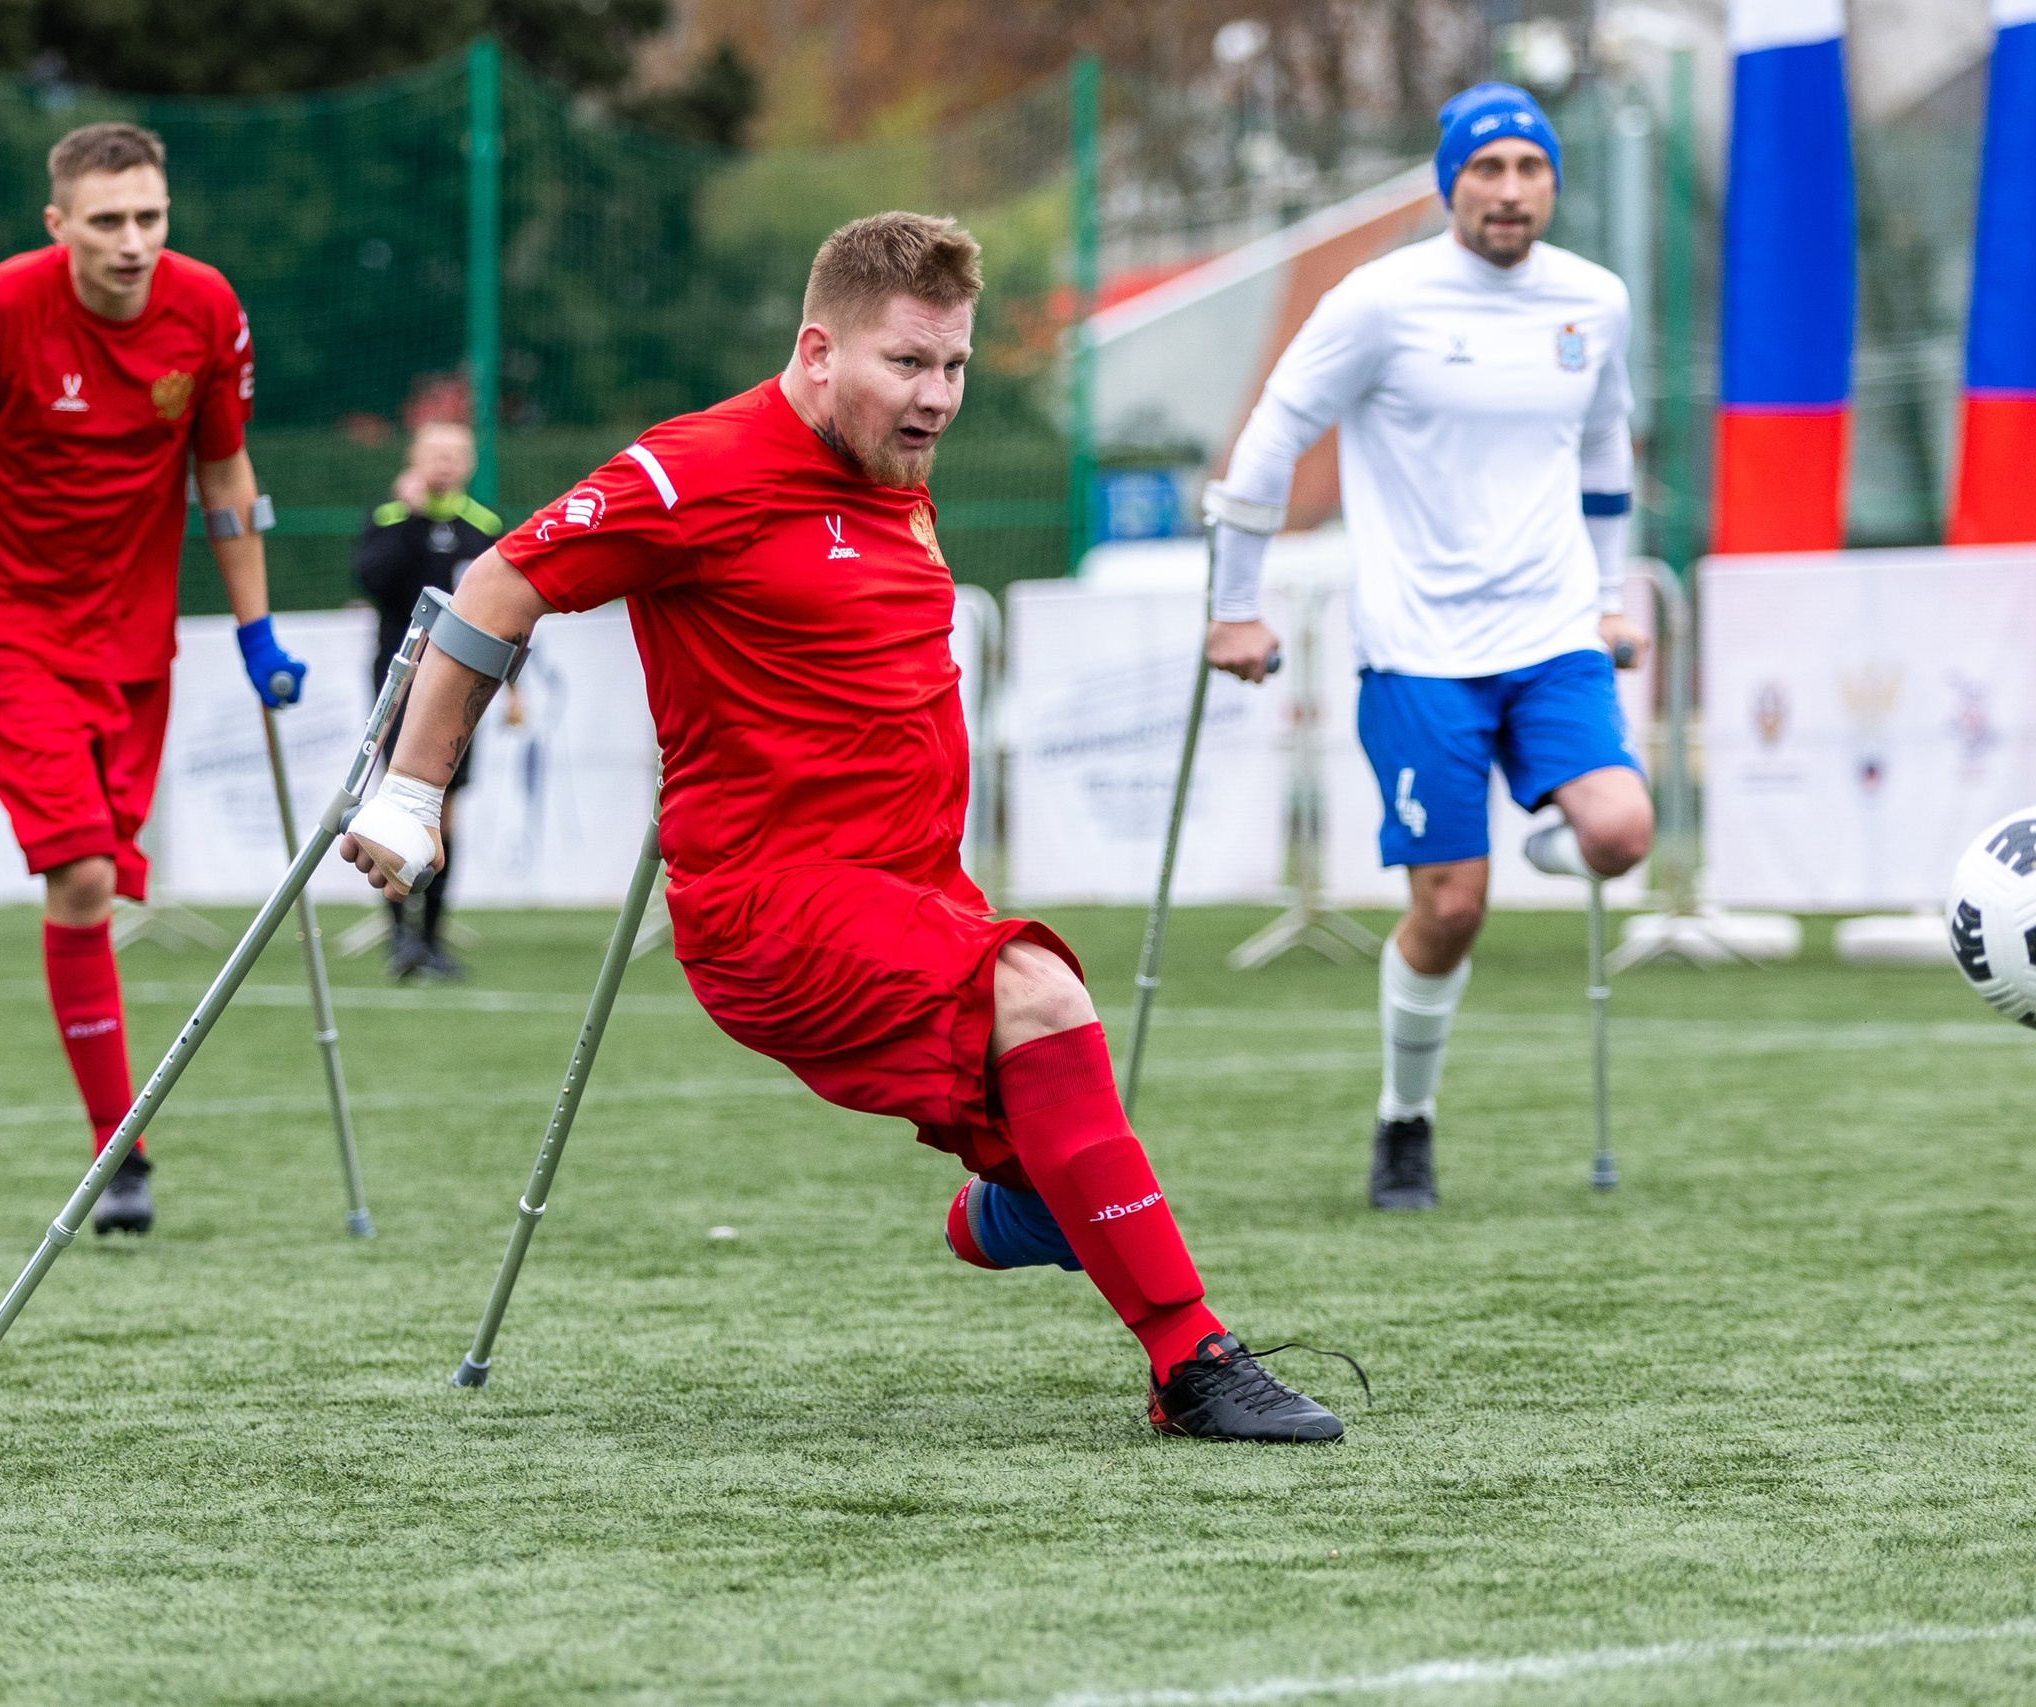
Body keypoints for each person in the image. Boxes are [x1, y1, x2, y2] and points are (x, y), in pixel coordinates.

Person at [340, 212, 1347, 1442]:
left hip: (920, 891)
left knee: (1051, 1120)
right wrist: (411, 791)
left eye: (955, 366)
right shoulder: (692, 469)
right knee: (1039, 992)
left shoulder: (891, 473)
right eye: (906, 363)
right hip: (771, 909)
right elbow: (498, 584)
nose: (937, 397)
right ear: (819, 352)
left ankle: (1012, 1214)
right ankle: (1193, 1363)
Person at [1202, 83, 1653, 1212]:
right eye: (1486, 169)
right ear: (1451, 182)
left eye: (1530, 169)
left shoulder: (1594, 300)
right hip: (1417, 651)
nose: (1509, 190)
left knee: (1620, 832)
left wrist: (1608, 596)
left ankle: (1544, 830)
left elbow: (1606, 447)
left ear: (1552, 183)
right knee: (1451, 911)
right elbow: (1272, 437)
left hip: (1552, 634)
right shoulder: (1379, 300)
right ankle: (1406, 1119)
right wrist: (1234, 605)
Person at [0, 121, 304, 1236]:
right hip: (9, 630)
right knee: (80, 872)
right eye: (108, 221)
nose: (133, 242)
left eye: (150, 218)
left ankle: (115, 1147)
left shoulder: (208, 310)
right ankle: (117, 1153)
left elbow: (223, 469)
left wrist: (257, 631)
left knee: (107, 877)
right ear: (59, 224)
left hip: (134, 638)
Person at [353, 419, 502, 980]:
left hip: (462, 687)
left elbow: (502, 611)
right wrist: (411, 517)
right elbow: (371, 581)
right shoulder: (390, 518)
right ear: (415, 456)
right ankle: (400, 940)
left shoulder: (482, 527)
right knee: (395, 799)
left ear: (469, 462)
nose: (445, 463)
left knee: (447, 807)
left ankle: (433, 939)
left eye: (455, 453)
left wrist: (514, 686)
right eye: (435, 452)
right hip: (398, 681)